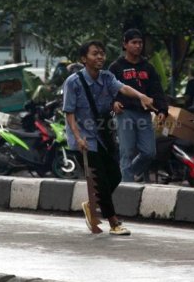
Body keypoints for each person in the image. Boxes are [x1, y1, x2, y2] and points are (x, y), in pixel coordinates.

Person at [63, 40, 156, 235]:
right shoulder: (74, 82)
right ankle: (114, 222)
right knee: (101, 180)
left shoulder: (106, 77)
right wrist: (78, 137)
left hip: (102, 134)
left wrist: (141, 96)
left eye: (102, 53)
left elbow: (122, 88)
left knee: (116, 174)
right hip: (84, 139)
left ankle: (93, 203)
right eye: (95, 53)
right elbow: (69, 113)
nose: (100, 57)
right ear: (83, 59)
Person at [108, 29, 168, 182]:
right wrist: (113, 102)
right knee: (127, 151)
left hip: (144, 114)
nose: (138, 46)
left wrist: (162, 109)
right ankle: (126, 187)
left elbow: (157, 89)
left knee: (149, 152)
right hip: (124, 113)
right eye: (134, 42)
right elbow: (107, 89)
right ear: (125, 44)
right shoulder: (116, 67)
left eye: (140, 42)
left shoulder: (148, 67)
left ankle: (126, 173)